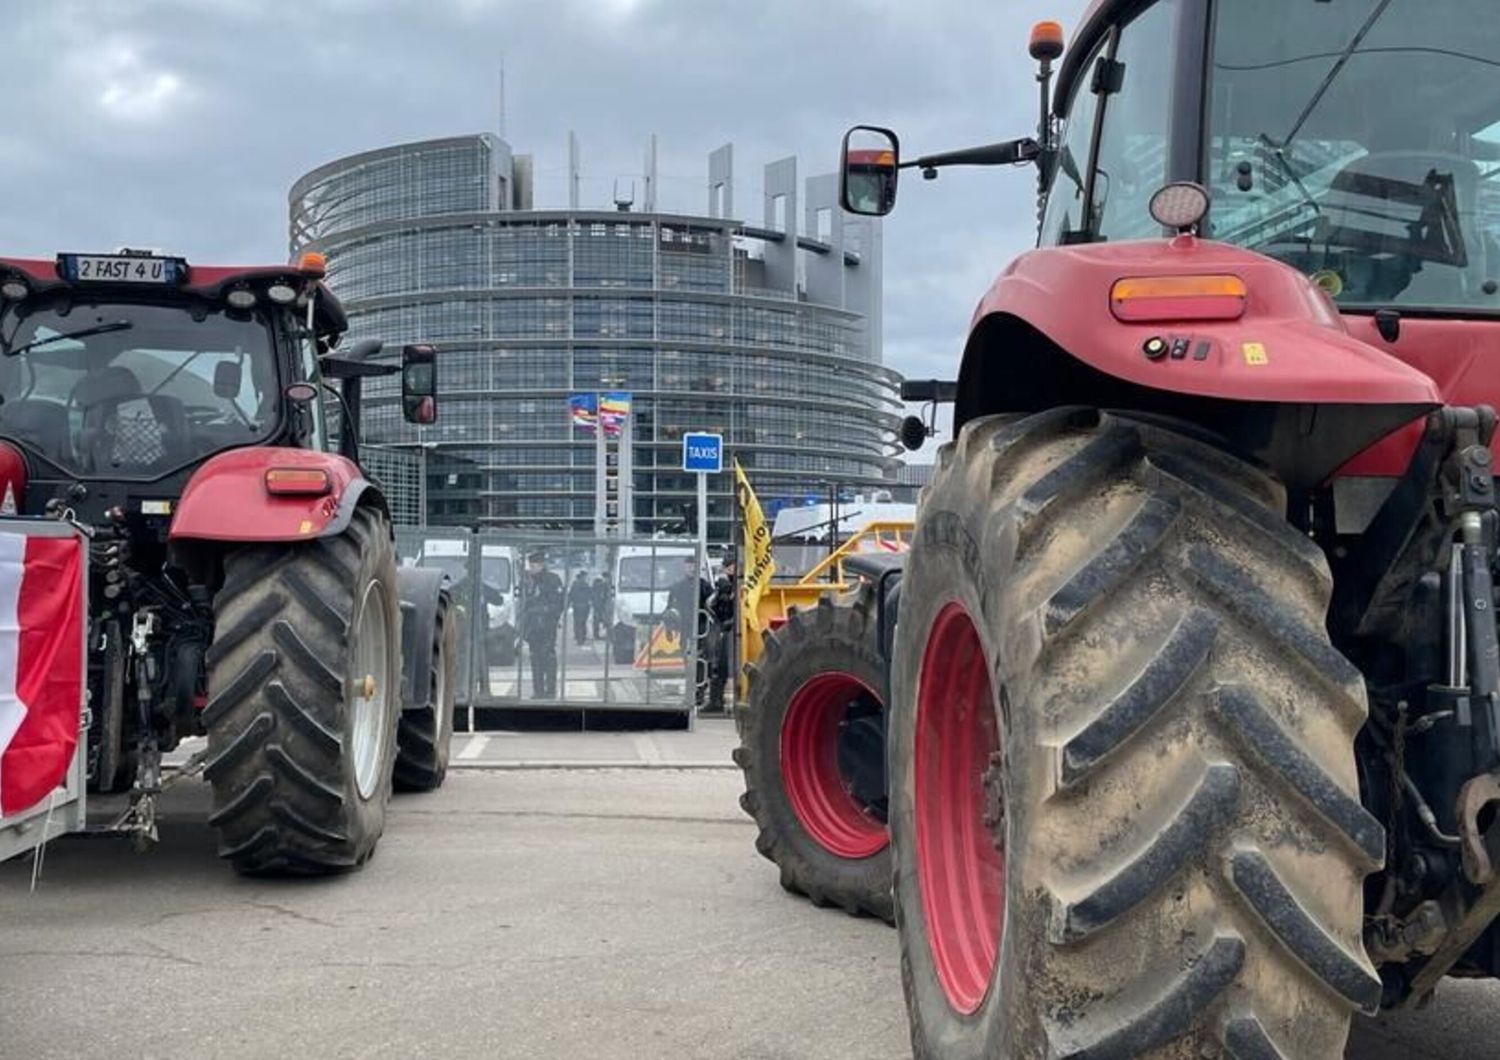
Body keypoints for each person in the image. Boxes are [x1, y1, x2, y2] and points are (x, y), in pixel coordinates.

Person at [666, 555, 712, 704]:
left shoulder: (705, 586)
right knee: (687, 660)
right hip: (685, 629)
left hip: (701, 629)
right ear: (684, 567)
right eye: (689, 565)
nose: (691, 568)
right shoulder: (677, 588)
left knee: (700, 660)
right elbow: (670, 610)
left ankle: (699, 690)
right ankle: (692, 689)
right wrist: (669, 628)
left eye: (694, 565)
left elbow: (712, 607)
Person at [520, 551, 564, 698]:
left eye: (533, 565)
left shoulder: (552, 580)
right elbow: (525, 603)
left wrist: (545, 613)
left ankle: (550, 690)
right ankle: (538, 690)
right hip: (533, 628)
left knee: (548, 657)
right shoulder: (529, 581)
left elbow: (558, 604)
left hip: (547, 626)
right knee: (535, 659)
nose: (531, 568)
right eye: (530, 565)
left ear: (541, 565)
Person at [704, 557, 737, 714]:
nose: (732, 570)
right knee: (717, 665)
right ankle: (715, 701)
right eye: (730, 567)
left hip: (731, 628)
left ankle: (718, 701)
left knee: (725, 664)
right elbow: (713, 604)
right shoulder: (724, 586)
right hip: (724, 628)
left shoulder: (738, 585)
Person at [568, 570, 592, 646]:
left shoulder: (574, 584)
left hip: (577, 605)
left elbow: (571, 595)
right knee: (583, 622)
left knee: (577, 622)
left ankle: (579, 637)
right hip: (585, 606)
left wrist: (569, 604)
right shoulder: (586, 585)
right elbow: (590, 595)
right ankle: (582, 636)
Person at [591, 575, 612, 639]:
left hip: (597, 606)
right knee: (606, 621)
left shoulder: (595, 586)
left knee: (597, 622)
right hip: (602, 606)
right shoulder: (604, 585)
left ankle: (596, 635)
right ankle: (607, 635)